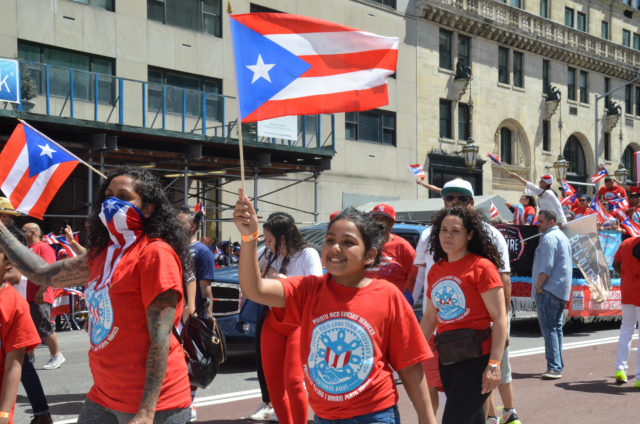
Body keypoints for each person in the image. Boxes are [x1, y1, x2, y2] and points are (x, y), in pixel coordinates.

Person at [0, 166, 192, 423]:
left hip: (153, 404)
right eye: (108, 195)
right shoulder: (103, 254)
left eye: (123, 197)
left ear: (148, 208)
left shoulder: (155, 254)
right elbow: (42, 273)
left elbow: (160, 339)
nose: (112, 202)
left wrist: (146, 412)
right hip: (103, 394)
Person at [234, 190, 437, 424]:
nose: (335, 248)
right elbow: (254, 289)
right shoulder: (308, 289)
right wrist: (249, 237)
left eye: (348, 242)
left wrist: (428, 419)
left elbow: (410, 367)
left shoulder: (388, 296)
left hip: (375, 416)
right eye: (330, 240)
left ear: (370, 255)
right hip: (323, 417)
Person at [412, 178, 519, 424]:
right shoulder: (436, 270)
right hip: (447, 356)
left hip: (477, 358)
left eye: (455, 231)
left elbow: (500, 318)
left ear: (470, 234)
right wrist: (413, 351)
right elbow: (430, 317)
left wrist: (494, 364)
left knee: (454, 420)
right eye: (443, 231)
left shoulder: (482, 268)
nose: (447, 236)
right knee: (473, 420)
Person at [254, 212, 322, 424]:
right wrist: (259, 274)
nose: (267, 244)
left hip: (298, 321)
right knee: (273, 384)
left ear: (282, 237)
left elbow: (316, 285)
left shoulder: (308, 254)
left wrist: (282, 280)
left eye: (270, 240)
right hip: (273, 320)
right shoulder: (266, 254)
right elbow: (249, 278)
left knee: (293, 381)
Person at [176, 208, 216, 422]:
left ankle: (190, 403)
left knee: (191, 361)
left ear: (192, 226)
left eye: (180, 223)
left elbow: (206, 287)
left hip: (191, 316)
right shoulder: (173, 247)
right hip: (172, 313)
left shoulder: (202, 251)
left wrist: (207, 319)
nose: (175, 226)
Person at [0, 225, 42, 424]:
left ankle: (42, 413)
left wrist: (4, 414)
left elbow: (13, 365)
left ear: (8, 260)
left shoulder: (15, 304)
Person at [532, 210, 572, 380]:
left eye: (541, 221)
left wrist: (539, 286)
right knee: (556, 328)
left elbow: (546, 267)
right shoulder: (562, 237)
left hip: (549, 289)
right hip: (560, 289)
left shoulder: (548, 238)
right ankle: (557, 364)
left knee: (549, 329)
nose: (538, 224)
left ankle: (554, 367)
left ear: (551, 222)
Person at [20, 223, 64, 370]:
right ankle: (29, 357)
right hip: (29, 296)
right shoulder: (28, 249)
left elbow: (51, 271)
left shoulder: (43, 248)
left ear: (33, 232)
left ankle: (57, 355)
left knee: (43, 326)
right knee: (30, 328)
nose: (22, 233)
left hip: (40, 296)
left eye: (24, 231)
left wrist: (41, 291)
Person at [366, 204, 417, 303]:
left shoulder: (402, 246)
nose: (378, 222)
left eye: (383, 219)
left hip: (393, 304)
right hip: (367, 303)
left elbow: (415, 276)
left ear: (392, 223)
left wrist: (406, 299)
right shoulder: (363, 245)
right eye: (375, 218)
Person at [612, 235, 640, 387]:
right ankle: (639, 377)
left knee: (626, 329)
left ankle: (620, 369)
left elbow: (615, 264)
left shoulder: (626, 243)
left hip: (628, 291)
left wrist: (624, 275)